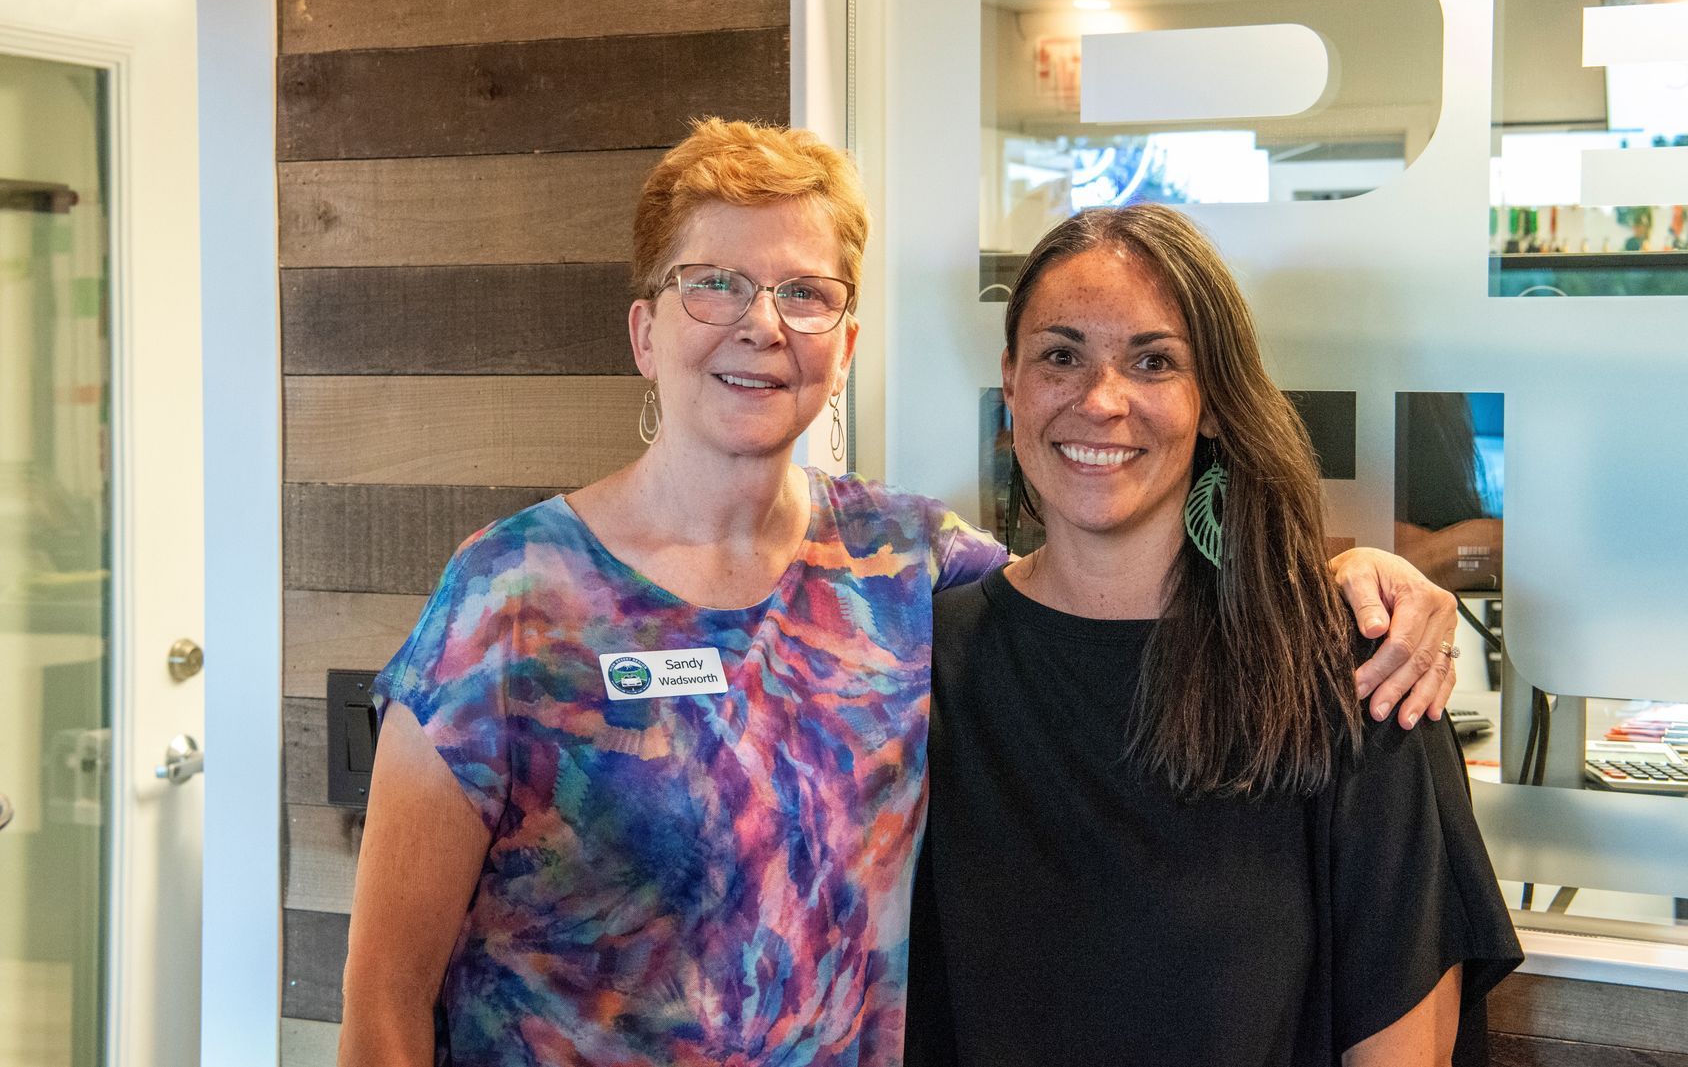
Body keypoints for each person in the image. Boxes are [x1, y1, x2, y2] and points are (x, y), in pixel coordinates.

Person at [338, 121, 1466, 1067]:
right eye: (715, 283)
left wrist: (1355, 580)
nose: (760, 324)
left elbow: (1105, 574)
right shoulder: (512, 595)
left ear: (844, 345)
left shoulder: (903, 567)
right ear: (645, 329)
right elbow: (383, 1000)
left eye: (803, 292)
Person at [908, 204, 1523, 1067]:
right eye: (1061, 355)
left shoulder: (1350, 673)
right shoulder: (919, 667)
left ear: (1214, 405)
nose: (1101, 400)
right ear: (1011, 383)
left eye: (1153, 361)